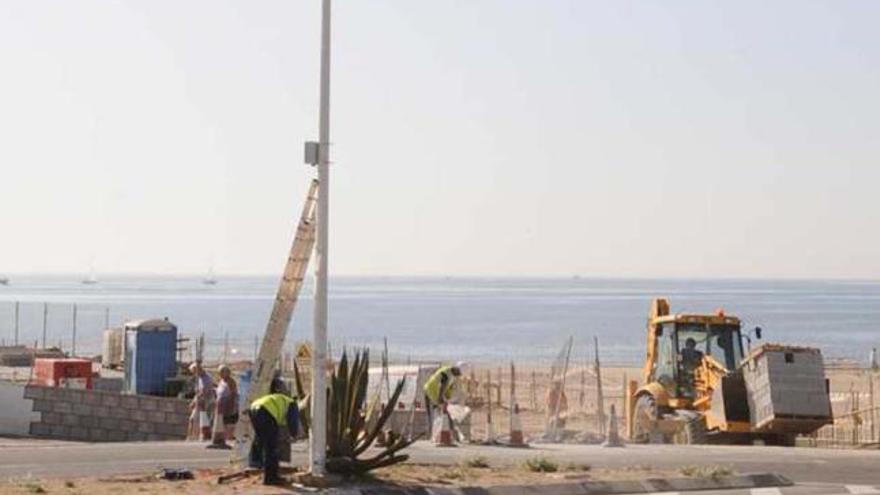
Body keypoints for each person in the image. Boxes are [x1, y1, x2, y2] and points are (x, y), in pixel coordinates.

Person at [249, 379, 299, 486]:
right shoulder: (291, 403)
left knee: (262, 442)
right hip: (266, 411)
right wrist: (294, 435)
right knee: (272, 448)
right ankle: (271, 478)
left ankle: (258, 465)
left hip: (254, 408)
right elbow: (292, 421)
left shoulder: (277, 399)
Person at [423, 362, 463, 436]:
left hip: (436, 393)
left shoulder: (452, 375)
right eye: (459, 373)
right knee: (432, 415)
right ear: (456, 369)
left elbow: (449, 389)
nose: (459, 375)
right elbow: (442, 385)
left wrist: (447, 399)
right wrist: (440, 398)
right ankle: (432, 434)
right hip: (430, 391)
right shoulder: (446, 374)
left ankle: (441, 434)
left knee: (442, 413)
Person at [207, 364, 239, 449]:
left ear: (227, 372)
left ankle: (223, 440)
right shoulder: (221, 381)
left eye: (222, 372)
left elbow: (233, 394)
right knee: (219, 423)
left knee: (226, 423)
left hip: (227, 405)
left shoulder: (231, 382)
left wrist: (230, 406)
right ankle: (218, 439)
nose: (220, 374)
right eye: (219, 372)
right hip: (219, 406)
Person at [190, 362, 215, 441]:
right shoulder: (200, 378)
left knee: (203, 419)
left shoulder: (206, 378)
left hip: (205, 402)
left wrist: (195, 401)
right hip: (201, 401)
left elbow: (204, 391)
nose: (194, 374)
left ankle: (203, 436)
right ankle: (196, 436)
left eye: (194, 372)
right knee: (196, 419)